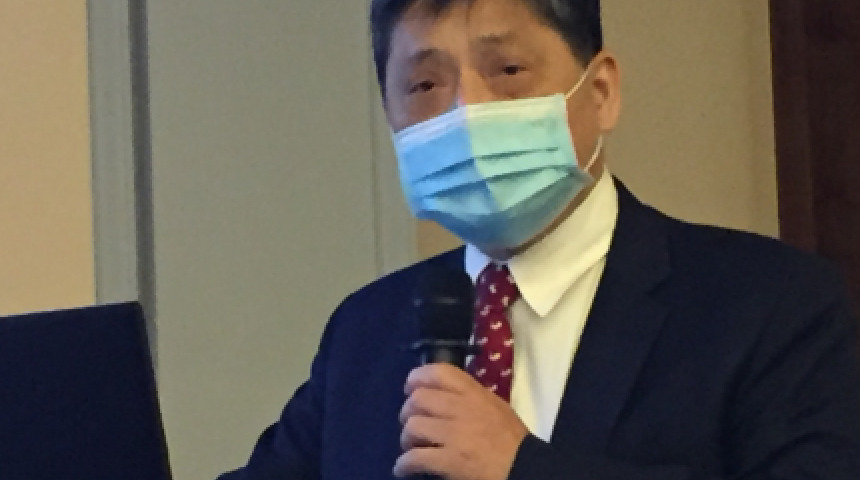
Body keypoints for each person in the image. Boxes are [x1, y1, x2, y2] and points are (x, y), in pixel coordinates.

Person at [218, 0, 860, 479]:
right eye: (424, 85)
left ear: (601, 92)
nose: (467, 110)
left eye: (507, 69)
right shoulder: (367, 329)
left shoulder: (770, 303)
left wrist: (524, 468)